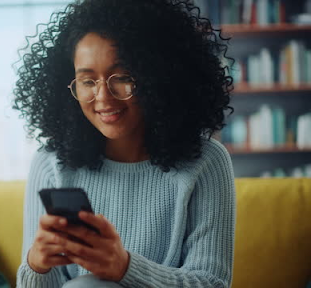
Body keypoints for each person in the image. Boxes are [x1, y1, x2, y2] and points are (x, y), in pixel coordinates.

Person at [13, 0, 236, 287]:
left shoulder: (206, 161)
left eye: (123, 77)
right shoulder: (50, 163)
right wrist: (36, 265)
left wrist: (124, 268)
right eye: (88, 81)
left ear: (158, 77)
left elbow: (213, 283)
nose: (103, 98)